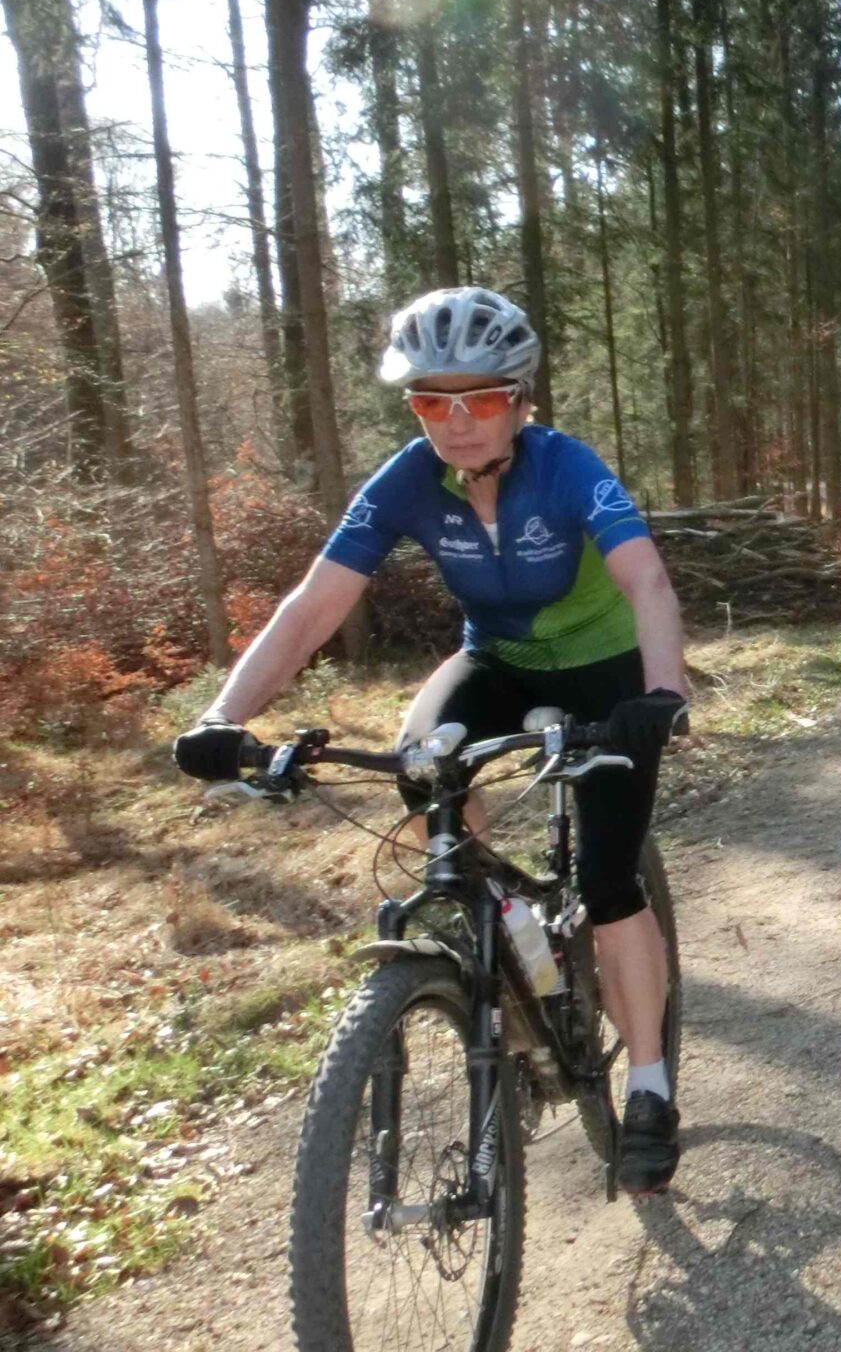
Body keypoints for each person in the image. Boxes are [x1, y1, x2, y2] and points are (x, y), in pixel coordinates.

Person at [169, 287, 693, 1194]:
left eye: (480, 398)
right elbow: (314, 606)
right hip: (496, 662)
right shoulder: (408, 481)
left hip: (607, 674)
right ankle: (505, 936)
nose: (456, 421)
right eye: (429, 400)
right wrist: (224, 716)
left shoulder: (566, 467)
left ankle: (647, 1084)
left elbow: (646, 581)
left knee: (609, 879)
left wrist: (664, 693)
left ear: (520, 399)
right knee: (421, 770)